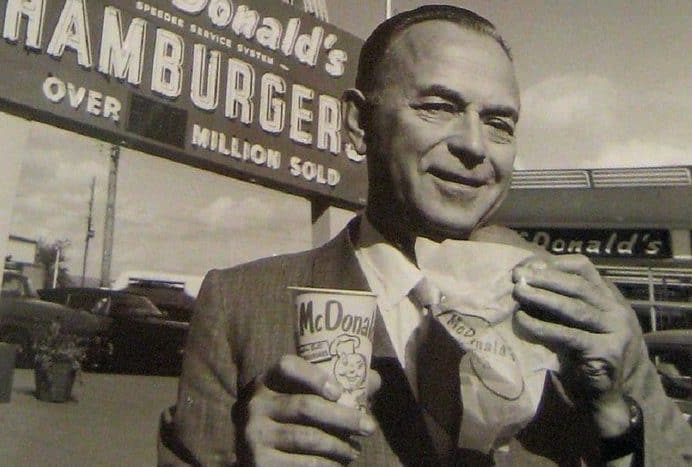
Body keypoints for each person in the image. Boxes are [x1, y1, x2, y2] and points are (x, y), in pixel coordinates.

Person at [158, 5, 692, 466]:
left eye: (500, 123)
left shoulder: (584, 312)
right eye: (438, 107)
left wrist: (615, 420)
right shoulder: (239, 306)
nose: (475, 146)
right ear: (358, 123)